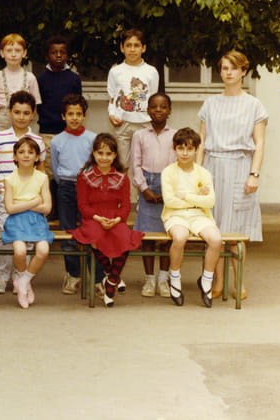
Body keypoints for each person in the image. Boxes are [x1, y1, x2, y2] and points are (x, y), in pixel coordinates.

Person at [198, 50, 267, 300]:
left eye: (233, 68)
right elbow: (202, 140)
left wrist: (254, 174)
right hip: (213, 166)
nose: (228, 73)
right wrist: (198, 174)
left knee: (237, 229)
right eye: (224, 68)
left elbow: (259, 143)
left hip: (240, 166)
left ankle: (239, 282)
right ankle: (217, 281)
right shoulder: (210, 104)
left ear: (243, 71)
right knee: (214, 226)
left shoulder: (254, 105)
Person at [70, 133, 143, 307]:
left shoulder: (122, 177)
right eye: (100, 153)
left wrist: (117, 219)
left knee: (125, 238)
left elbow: (125, 205)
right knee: (95, 236)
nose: (104, 157)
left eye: (109, 154)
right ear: (94, 153)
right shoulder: (84, 177)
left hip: (115, 218)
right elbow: (82, 205)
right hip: (93, 218)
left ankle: (110, 280)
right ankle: (113, 276)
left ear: (115, 155)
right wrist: (97, 218)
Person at [0, 90, 45, 294]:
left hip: (29, 198)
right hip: (5, 196)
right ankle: (1, 276)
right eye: (17, 112)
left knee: (26, 237)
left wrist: (40, 193)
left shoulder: (37, 140)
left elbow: (41, 169)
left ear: (33, 114)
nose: (21, 117)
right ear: (10, 112)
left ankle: (21, 277)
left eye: (26, 113)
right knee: (5, 236)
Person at [161, 128, 223, 308]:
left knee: (216, 240)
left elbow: (210, 201)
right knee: (180, 237)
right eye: (181, 148)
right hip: (175, 215)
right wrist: (197, 198)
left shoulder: (203, 173)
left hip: (199, 214)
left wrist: (187, 196)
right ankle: (175, 277)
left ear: (196, 149)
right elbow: (170, 201)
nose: (185, 153)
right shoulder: (168, 172)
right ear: (174, 149)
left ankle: (206, 279)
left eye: (189, 149)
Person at [49, 93, 102, 296]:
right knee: (68, 232)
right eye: (70, 114)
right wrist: (65, 183)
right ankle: (73, 275)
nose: (74, 118)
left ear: (84, 116)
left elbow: (97, 165)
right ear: (63, 116)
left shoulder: (92, 138)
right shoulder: (57, 141)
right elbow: (55, 169)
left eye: (78, 114)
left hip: (89, 188)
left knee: (92, 230)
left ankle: (97, 278)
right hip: (66, 188)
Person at [130, 92, 176, 298]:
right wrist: (144, 188)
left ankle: (163, 279)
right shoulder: (139, 135)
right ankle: (149, 279)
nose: (158, 110)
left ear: (169, 111)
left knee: (167, 236)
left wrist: (169, 190)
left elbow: (178, 165)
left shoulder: (175, 135)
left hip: (168, 186)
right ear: (147, 110)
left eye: (163, 107)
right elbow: (135, 164)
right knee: (147, 235)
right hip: (147, 184)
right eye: (154, 106)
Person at [1, 137, 54, 309]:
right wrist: (34, 202)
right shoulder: (9, 179)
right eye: (21, 152)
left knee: (43, 250)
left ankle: (23, 281)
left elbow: (47, 207)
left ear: (37, 157)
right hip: (16, 221)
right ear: (14, 156)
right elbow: (10, 208)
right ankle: (24, 282)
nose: (26, 155)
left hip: (37, 221)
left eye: (30, 152)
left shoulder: (42, 178)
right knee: (20, 251)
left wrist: (21, 204)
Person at [106, 29, 159, 189]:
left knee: (145, 163)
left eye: (136, 45)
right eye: (128, 45)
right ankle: (123, 197)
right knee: (121, 165)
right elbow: (112, 96)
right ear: (122, 48)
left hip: (145, 124)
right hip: (122, 124)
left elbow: (153, 98)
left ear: (143, 48)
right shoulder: (115, 71)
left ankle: (142, 198)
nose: (132, 49)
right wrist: (112, 114)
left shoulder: (151, 71)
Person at [37, 35, 83, 220]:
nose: (58, 55)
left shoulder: (74, 78)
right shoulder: (41, 79)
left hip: (69, 133)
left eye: (62, 52)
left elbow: (78, 103)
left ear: (67, 55)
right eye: (54, 52)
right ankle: (52, 210)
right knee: (50, 172)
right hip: (48, 133)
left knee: (67, 171)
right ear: (47, 56)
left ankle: (70, 211)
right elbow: (39, 105)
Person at [0, 33, 42, 132]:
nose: (13, 54)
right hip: (2, 119)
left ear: (24, 53)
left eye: (18, 50)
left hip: (25, 119)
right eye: (9, 51)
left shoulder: (30, 77)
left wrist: (28, 120)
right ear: (2, 53)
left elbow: (35, 104)